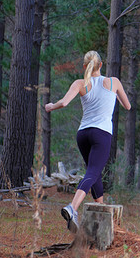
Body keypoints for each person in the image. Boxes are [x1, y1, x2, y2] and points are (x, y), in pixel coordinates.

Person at [44, 50, 131, 232]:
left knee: (94, 173)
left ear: (85, 66)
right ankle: (72, 208)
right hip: (102, 134)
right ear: (101, 65)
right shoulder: (114, 82)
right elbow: (127, 106)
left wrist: (51, 106)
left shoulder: (80, 83)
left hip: (83, 134)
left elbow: (64, 103)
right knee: (92, 172)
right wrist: (113, 95)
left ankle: (101, 212)